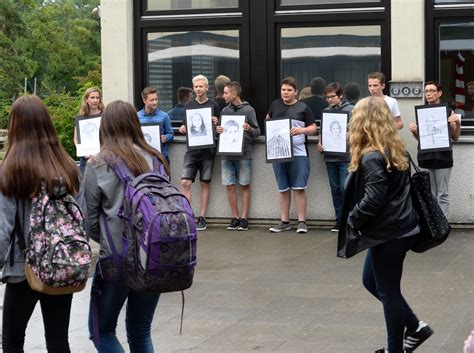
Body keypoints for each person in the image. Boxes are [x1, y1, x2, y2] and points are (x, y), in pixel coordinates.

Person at [340, 96, 432, 353]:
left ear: (363, 122)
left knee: (388, 291)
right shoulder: (394, 147)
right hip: (399, 228)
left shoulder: (372, 157)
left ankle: (395, 350)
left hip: (390, 232)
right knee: (371, 281)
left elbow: (373, 199)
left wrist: (352, 219)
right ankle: (415, 327)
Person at [82, 100, 169, 353]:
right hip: (154, 255)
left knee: (101, 331)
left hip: (116, 259)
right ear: (135, 123)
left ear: (105, 126)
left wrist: (110, 237)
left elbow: (88, 219)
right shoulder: (156, 158)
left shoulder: (98, 163)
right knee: (141, 331)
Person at [0, 95, 81, 352]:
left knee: (12, 341)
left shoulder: (11, 169)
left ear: (15, 126)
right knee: (58, 340)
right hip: (61, 262)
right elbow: (80, 217)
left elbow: (3, 227)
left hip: (23, 269)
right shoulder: (67, 165)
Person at [266, 76, 317, 234]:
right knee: (283, 188)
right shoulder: (275, 104)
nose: (285, 93)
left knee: (299, 188)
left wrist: (302, 130)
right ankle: (284, 221)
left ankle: (302, 221)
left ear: (295, 91)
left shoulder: (303, 107)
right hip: (279, 153)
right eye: (283, 90)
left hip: (299, 153)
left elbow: (314, 128)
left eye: (289, 90)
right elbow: (267, 121)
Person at [408, 81, 461, 218]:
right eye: (426, 91)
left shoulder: (448, 111)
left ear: (439, 93)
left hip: (443, 157)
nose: (429, 94)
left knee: (442, 193)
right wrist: (415, 131)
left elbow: (455, 137)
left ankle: (443, 222)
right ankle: (433, 223)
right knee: (429, 193)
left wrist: (455, 124)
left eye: (432, 90)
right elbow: (422, 138)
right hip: (425, 157)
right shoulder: (422, 112)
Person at [216, 81, 260, 231]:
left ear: (234, 94)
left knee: (245, 185)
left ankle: (244, 218)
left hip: (244, 153)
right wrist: (219, 130)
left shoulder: (248, 110)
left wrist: (249, 129)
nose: (223, 96)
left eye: (226, 93)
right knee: (229, 186)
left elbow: (257, 132)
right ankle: (234, 217)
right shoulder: (224, 111)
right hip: (227, 154)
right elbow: (221, 132)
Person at [179, 75, 220, 231]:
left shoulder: (214, 105)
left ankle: (202, 217)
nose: (198, 89)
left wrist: (216, 123)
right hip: (192, 149)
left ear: (207, 88)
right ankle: (188, 215)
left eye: (201, 86)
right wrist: (182, 129)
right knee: (185, 182)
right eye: (196, 86)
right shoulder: (188, 106)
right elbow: (185, 126)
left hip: (208, 149)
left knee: (205, 182)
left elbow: (219, 129)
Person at [316, 82, 353, 232]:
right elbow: (322, 131)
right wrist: (319, 142)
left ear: (340, 96)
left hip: (346, 156)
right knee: (335, 189)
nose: (330, 100)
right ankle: (339, 219)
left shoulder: (351, 110)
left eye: (332, 97)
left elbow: (360, 128)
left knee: (346, 189)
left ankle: (349, 219)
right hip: (330, 156)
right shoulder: (326, 111)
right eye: (327, 97)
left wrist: (351, 134)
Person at [137, 86, 174, 164]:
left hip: (161, 157)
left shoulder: (164, 116)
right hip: (144, 156)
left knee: (164, 176)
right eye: (152, 100)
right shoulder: (137, 117)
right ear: (144, 100)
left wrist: (166, 138)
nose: (155, 102)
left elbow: (171, 134)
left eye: (156, 99)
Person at [74, 87, 104, 174]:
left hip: (102, 159)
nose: (95, 100)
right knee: (85, 186)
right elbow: (76, 139)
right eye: (92, 97)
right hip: (85, 160)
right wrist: (84, 153)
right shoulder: (81, 118)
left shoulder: (105, 115)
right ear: (86, 100)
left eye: (97, 98)